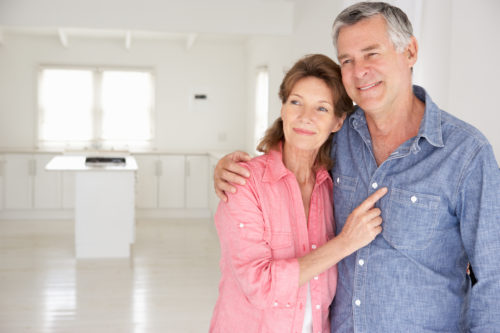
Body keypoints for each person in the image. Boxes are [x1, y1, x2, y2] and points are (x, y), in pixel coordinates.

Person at [213, 2, 500, 332]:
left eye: (371, 54)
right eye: (346, 60)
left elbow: (494, 278)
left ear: (410, 51)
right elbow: (294, 147)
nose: (358, 70)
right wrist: (226, 168)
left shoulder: (466, 153)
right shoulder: (340, 135)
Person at [209, 54, 387, 333]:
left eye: (321, 109)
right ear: (282, 108)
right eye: (296, 102)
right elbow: (261, 286)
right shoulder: (244, 183)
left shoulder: (334, 187)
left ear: (338, 122)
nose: (305, 118)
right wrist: (345, 243)